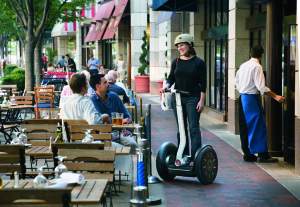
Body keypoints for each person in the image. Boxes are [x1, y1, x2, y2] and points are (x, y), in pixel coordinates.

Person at [159, 34, 207, 166]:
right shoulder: (176, 61)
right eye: (178, 46)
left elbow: (203, 83)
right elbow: (170, 78)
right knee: (181, 128)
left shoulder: (199, 62)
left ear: (190, 45)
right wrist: (166, 86)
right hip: (178, 98)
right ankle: (184, 156)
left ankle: (196, 158)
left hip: (193, 98)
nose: (180, 48)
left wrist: (201, 100)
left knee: (193, 128)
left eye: (182, 45)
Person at [234, 45, 285, 163]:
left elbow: (236, 81)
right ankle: (263, 155)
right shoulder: (257, 67)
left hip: (242, 98)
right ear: (262, 55)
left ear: (250, 54)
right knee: (259, 126)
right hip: (251, 98)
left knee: (245, 127)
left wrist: (242, 89)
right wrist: (276, 96)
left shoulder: (243, 65)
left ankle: (247, 154)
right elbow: (261, 87)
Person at [89, 74, 138, 154]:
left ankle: (125, 164)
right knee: (109, 150)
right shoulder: (92, 100)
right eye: (105, 83)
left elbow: (126, 115)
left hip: (120, 132)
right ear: (98, 87)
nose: (108, 84)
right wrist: (121, 121)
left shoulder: (114, 96)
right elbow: (101, 121)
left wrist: (128, 131)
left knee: (133, 145)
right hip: (102, 135)